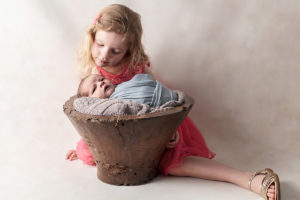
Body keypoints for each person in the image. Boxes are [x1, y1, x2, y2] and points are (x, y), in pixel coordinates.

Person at [65, 4, 280, 200]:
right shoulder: (94, 77)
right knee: (94, 154)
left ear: (128, 50)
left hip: (156, 123)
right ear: (92, 37)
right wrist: (87, 140)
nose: (104, 55)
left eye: (115, 51)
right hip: (122, 137)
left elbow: (158, 95)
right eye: (100, 44)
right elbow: (90, 110)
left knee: (173, 163)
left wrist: (168, 130)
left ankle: (244, 178)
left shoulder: (134, 68)